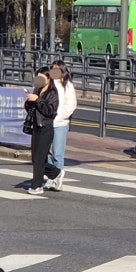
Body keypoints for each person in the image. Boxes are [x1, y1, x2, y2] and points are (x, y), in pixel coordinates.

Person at [24, 67, 61, 194]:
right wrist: (29, 101)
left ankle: (37, 186)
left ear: (48, 79)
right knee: (36, 158)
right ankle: (56, 173)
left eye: (42, 78)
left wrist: (38, 100)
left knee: (39, 159)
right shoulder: (37, 89)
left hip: (46, 128)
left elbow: (49, 111)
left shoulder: (53, 93)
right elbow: (31, 108)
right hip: (36, 127)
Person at [46, 60, 77, 191]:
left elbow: (71, 105)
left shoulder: (67, 85)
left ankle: (58, 178)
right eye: (52, 69)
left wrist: (59, 117)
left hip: (60, 123)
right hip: (47, 123)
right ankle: (51, 177)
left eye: (57, 69)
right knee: (45, 153)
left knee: (58, 153)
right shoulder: (48, 83)